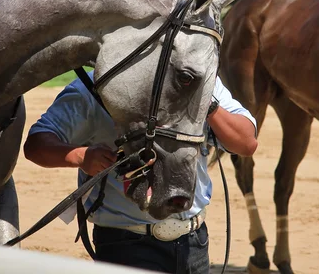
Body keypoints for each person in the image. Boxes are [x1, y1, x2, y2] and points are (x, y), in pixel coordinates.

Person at [24, 71, 257, 273]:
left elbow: (246, 143)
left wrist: (207, 101)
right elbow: (36, 144)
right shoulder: (94, 87)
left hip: (193, 244)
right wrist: (81, 156)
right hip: (126, 247)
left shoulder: (200, 79)